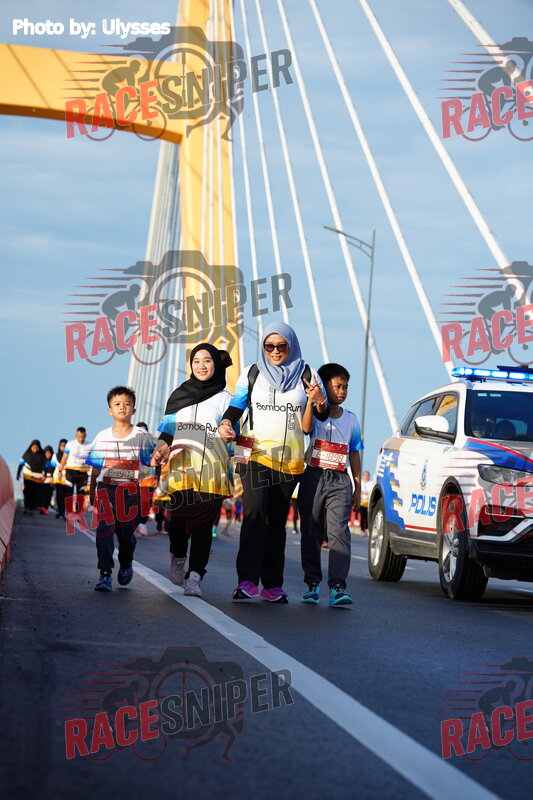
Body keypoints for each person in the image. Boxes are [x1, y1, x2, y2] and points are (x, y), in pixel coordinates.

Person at [218, 322, 328, 603]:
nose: (275, 351)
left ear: (292, 346)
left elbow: (321, 414)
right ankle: (246, 581)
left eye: (282, 346)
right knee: (255, 513)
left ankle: (272, 585)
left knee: (277, 522)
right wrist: (227, 423)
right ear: (263, 347)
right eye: (269, 346)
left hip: (290, 460)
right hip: (253, 454)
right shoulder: (251, 373)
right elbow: (236, 406)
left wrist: (319, 400)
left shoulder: (307, 373)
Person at [152, 343, 233, 597]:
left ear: (216, 364)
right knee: (178, 523)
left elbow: (235, 432)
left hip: (213, 470)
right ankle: (178, 556)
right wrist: (160, 449)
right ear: (191, 365)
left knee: (203, 525)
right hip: (181, 469)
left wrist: (231, 436)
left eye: (207, 360)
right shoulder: (179, 395)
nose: (201, 366)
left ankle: (195, 576)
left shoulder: (226, 399)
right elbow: (167, 432)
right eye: (197, 361)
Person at [299, 363, 363, 606]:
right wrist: (312, 401)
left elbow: (354, 452)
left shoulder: (351, 419)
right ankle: (311, 584)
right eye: (337, 386)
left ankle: (337, 587)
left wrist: (357, 487)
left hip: (339, 479)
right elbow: (306, 428)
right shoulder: (315, 414)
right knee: (311, 531)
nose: (342, 391)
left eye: (345, 387)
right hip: (314, 476)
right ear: (325, 387)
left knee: (338, 533)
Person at [86, 386, 155, 592]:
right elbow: (95, 467)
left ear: (134, 409)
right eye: (117, 404)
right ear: (110, 410)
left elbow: (150, 465)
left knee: (126, 536)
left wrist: (148, 495)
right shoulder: (102, 436)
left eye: (127, 404)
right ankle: (105, 573)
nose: (122, 407)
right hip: (106, 489)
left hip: (131, 492)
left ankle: (126, 563)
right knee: (104, 531)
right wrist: (91, 489)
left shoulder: (142, 436)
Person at [58, 427, 92, 515]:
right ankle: (68, 512)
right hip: (71, 471)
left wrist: (89, 464)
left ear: (85, 436)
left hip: (82, 472)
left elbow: (92, 458)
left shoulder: (89, 445)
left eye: (83, 437)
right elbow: (64, 458)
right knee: (69, 491)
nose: (81, 439)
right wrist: (60, 471)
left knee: (81, 494)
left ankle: (78, 512)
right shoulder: (70, 444)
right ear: (76, 435)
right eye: (79, 436)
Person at [17, 440, 46, 516]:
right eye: (34, 448)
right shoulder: (27, 454)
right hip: (28, 476)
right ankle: (27, 508)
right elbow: (21, 464)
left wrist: (44, 475)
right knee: (27, 492)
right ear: (31, 447)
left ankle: (32, 509)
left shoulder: (42, 455)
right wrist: (18, 473)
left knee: (35, 494)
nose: (35, 449)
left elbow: (45, 467)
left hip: (38, 477)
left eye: (37, 448)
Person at [52, 439, 67, 519]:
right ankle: (60, 511)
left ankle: (63, 511)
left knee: (65, 495)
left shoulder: (70, 456)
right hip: (57, 477)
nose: (63, 447)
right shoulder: (55, 455)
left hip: (66, 477)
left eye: (65, 446)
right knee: (59, 494)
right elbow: (52, 467)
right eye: (62, 446)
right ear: (59, 446)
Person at [39, 446, 55, 514]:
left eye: (49, 453)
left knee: (49, 495)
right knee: (43, 495)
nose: (48, 455)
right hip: (43, 480)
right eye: (46, 453)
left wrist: (53, 479)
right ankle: (42, 507)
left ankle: (46, 508)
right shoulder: (42, 460)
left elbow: (54, 470)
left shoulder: (53, 461)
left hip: (50, 480)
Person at [359, 470, 373, 536]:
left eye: (367, 475)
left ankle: (367, 528)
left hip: (369, 503)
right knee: (362, 517)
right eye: (365, 475)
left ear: (369, 476)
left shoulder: (371, 483)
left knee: (368, 517)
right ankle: (362, 530)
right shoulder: (361, 483)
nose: (366, 476)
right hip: (362, 503)